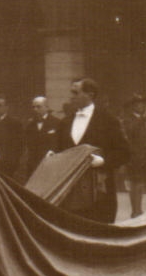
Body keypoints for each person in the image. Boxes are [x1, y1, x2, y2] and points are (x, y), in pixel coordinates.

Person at [50, 77, 132, 224]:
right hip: (70, 195)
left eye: (75, 93)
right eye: (71, 92)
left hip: (99, 194)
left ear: (90, 95)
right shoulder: (65, 122)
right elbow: (58, 149)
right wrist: (53, 155)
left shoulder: (108, 120)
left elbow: (124, 152)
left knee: (99, 237)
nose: (71, 96)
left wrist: (103, 161)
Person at [122, 94, 146, 217]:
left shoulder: (143, 120)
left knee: (141, 183)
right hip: (134, 156)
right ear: (132, 106)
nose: (141, 106)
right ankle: (135, 210)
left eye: (142, 104)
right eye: (138, 104)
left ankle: (138, 209)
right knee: (135, 183)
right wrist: (142, 118)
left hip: (144, 155)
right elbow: (131, 131)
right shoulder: (129, 119)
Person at [19, 95, 58, 182]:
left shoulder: (56, 123)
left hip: (50, 164)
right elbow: (27, 145)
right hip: (33, 165)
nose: (35, 110)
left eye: (38, 107)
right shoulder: (30, 125)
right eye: (34, 107)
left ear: (47, 107)